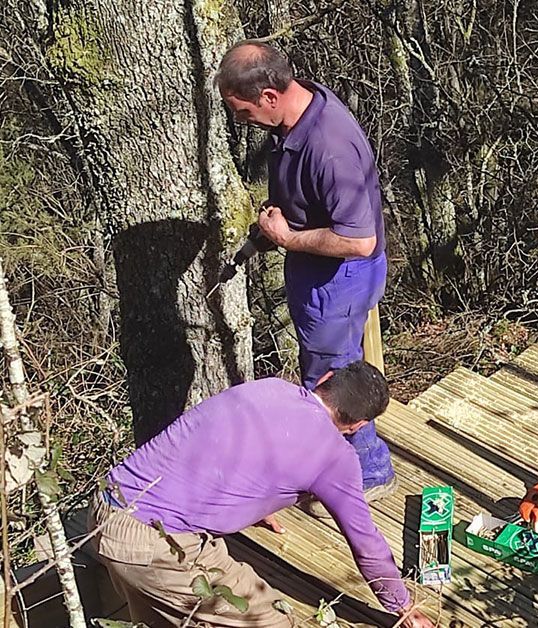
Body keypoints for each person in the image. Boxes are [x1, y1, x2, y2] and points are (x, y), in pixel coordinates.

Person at [89, 361, 434, 628]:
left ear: (325, 379)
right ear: (358, 425)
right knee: (276, 618)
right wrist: (405, 606)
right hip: (155, 546)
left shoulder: (269, 388)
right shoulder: (336, 457)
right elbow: (366, 544)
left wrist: (259, 501)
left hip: (106, 508)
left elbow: (225, 444)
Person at [214, 41, 396, 508]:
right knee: (333, 370)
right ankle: (344, 462)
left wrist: (287, 240)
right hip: (321, 276)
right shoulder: (298, 113)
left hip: (339, 281)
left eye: (241, 111)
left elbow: (360, 241)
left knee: (332, 381)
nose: (240, 122)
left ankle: (366, 471)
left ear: (270, 96)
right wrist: (263, 239)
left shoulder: (328, 147)